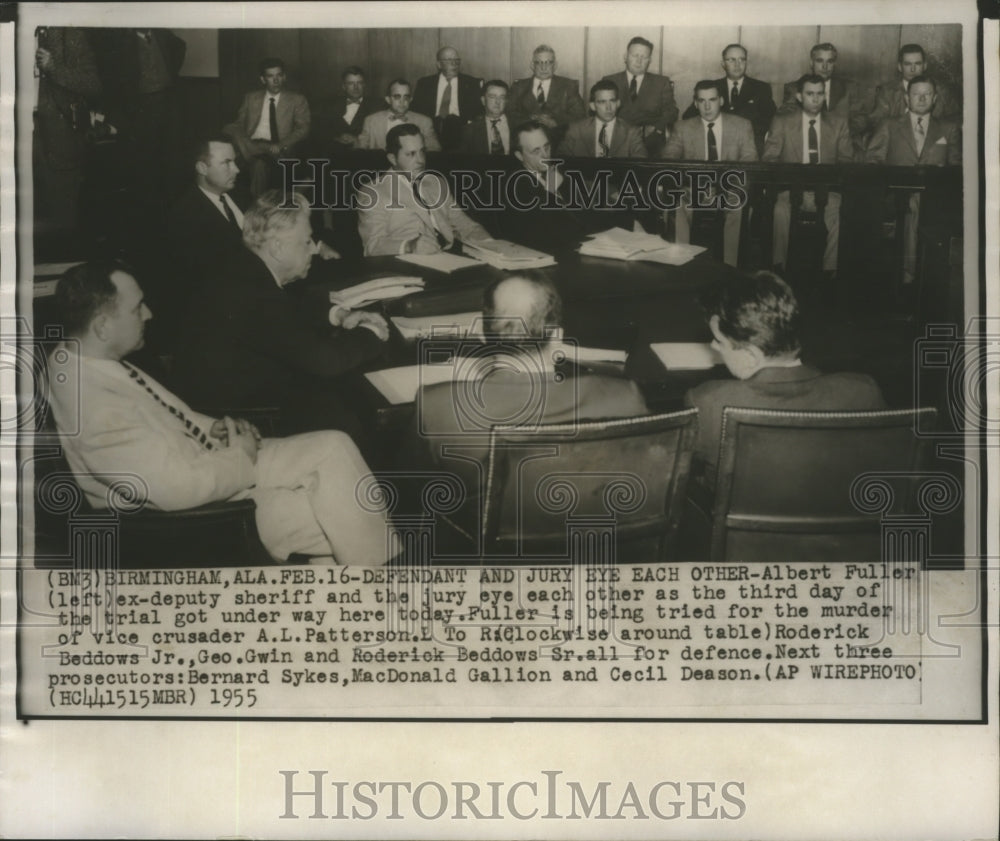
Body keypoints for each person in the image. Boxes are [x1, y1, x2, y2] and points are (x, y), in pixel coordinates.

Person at [47, 260, 397, 565]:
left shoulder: (85, 358)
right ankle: (380, 598)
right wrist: (240, 456)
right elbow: (176, 489)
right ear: (102, 327)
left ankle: (355, 581)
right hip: (189, 521)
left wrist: (211, 428)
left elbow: (161, 416)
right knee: (344, 511)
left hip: (206, 460)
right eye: (137, 308)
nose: (150, 314)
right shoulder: (94, 406)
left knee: (334, 447)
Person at [414, 271, 650, 535]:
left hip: (494, 563)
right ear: (557, 337)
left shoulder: (437, 405)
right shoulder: (624, 396)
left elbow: (411, 498)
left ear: (481, 336)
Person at [173, 190, 390, 439]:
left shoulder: (244, 267)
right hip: (238, 419)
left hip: (234, 395)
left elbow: (293, 308)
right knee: (352, 417)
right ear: (277, 247)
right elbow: (326, 361)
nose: (314, 250)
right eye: (306, 241)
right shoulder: (255, 293)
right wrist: (373, 332)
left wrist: (339, 315)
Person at [684, 271, 886, 488]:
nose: (714, 346)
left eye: (719, 341)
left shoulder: (708, 401)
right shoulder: (862, 391)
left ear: (752, 355)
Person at [866, 76, 961, 284]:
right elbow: (873, 162)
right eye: (916, 94)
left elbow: (955, 168)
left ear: (935, 98)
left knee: (921, 204)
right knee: (914, 203)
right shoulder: (888, 125)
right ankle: (910, 276)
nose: (921, 99)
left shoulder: (948, 128)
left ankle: (922, 278)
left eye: (927, 94)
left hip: (936, 198)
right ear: (907, 99)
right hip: (894, 196)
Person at [763, 74, 854, 278]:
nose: (815, 99)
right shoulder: (782, 122)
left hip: (828, 192)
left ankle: (830, 272)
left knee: (838, 213)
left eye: (820, 94)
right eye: (810, 94)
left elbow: (847, 160)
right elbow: (769, 158)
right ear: (799, 96)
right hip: (791, 190)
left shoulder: (838, 123)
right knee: (779, 211)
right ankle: (779, 268)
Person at [160, 135, 247, 342]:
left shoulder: (241, 195)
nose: (237, 169)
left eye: (235, 162)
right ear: (202, 168)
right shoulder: (184, 216)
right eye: (227, 163)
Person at [357, 123, 489, 257]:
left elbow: (465, 225)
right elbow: (373, 245)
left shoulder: (436, 183)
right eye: (411, 154)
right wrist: (410, 246)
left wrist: (492, 245)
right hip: (408, 263)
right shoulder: (373, 191)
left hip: (451, 255)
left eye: (422, 151)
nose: (420, 160)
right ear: (392, 158)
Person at [664, 80, 757, 267]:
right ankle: (681, 264)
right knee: (676, 200)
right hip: (693, 189)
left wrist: (731, 189)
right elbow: (668, 160)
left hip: (729, 190)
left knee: (737, 204)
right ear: (696, 103)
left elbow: (750, 162)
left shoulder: (741, 126)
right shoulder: (683, 128)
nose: (707, 106)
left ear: (721, 101)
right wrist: (690, 185)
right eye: (702, 100)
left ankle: (730, 267)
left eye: (712, 100)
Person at [500, 120, 594, 254]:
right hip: (551, 257)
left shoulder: (558, 173)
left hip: (585, 247)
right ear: (519, 155)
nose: (545, 155)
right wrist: (549, 191)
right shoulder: (514, 186)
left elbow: (586, 214)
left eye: (547, 147)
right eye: (536, 151)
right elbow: (538, 235)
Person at [223, 57, 311, 197]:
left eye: (279, 75)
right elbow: (239, 124)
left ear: (284, 77)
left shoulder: (297, 99)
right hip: (252, 143)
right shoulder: (250, 98)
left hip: (277, 148)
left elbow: (303, 129)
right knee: (230, 130)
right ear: (263, 79)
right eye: (270, 76)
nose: (275, 80)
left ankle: (256, 208)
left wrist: (282, 144)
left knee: (258, 165)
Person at [682, 43, 775, 157]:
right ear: (723, 64)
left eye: (742, 60)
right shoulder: (712, 87)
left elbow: (771, 119)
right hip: (714, 141)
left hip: (748, 143)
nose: (737, 64)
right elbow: (688, 116)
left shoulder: (761, 88)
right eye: (731, 60)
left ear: (746, 62)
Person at [778, 43, 867, 154]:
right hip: (804, 140)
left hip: (842, 143)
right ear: (811, 63)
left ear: (834, 64)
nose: (825, 67)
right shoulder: (795, 87)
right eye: (820, 61)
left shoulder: (850, 88)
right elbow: (785, 115)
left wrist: (838, 133)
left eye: (829, 61)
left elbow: (860, 119)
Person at [601, 35, 678, 156]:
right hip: (615, 137)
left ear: (649, 60)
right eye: (635, 55)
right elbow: (599, 111)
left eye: (644, 57)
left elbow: (672, 111)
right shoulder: (610, 81)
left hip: (650, 140)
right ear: (625, 57)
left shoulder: (661, 82)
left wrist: (656, 128)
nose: (639, 61)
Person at [506, 45, 586, 146]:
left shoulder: (568, 86)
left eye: (548, 62)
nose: (544, 67)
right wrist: (531, 119)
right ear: (532, 65)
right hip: (527, 143)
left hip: (560, 144)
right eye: (539, 62)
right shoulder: (519, 87)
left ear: (555, 65)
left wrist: (556, 122)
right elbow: (509, 114)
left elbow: (580, 116)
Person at [411, 46, 484, 152]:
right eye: (449, 60)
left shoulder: (471, 83)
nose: (454, 64)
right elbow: (416, 110)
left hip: (461, 129)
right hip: (432, 128)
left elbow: (478, 112)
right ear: (439, 64)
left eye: (456, 60)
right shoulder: (425, 83)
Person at [869, 44, 959, 129]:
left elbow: (957, 118)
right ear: (900, 67)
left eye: (918, 64)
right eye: (908, 64)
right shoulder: (887, 92)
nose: (913, 69)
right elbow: (876, 122)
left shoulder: (941, 91)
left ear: (925, 66)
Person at [558, 79, 647, 158]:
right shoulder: (576, 130)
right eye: (602, 102)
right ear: (593, 106)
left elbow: (640, 162)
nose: (608, 107)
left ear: (618, 103)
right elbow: (561, 159)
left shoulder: (632, 132)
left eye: (612, 101)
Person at [356, 79, 441, 152]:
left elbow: (434, 152)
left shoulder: (424, 122)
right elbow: (359, 151)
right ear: (388, 99)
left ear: (410, 100)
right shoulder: (371, 121)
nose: (402, 101)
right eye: (397, 97)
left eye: (406, 97)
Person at [312, 66, 380, 156]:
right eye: (351, 83)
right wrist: (337, 138)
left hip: (364, 156)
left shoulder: (377, 106)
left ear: (364, 85)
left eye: (359, 83)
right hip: (335, 156)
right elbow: (320, 131)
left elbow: (380, 136)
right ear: (344, 86)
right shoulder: (330, 105)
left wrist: (357, 139)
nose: (356, 87)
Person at [460, 80, 511, 155]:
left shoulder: (519, 125)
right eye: (492, 97)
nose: (497, 102)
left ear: (506, 101)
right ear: (483, 100)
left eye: (502, 97)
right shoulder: (470, 130)